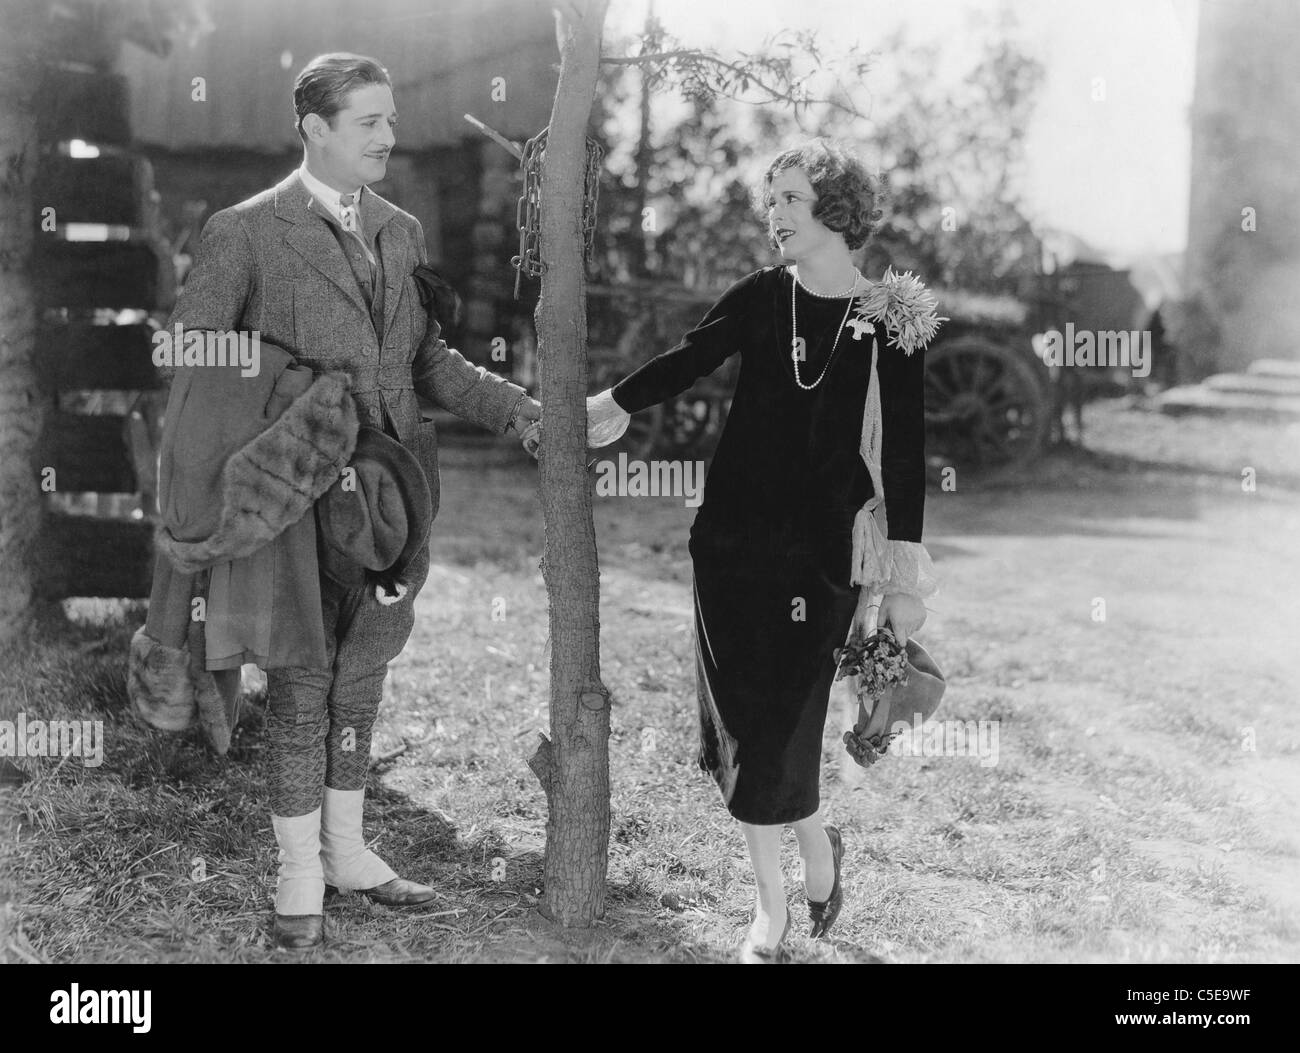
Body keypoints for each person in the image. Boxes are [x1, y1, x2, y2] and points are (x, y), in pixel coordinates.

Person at [164, 52, 540, 949]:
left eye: (391, 118)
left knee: (361, 678)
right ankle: (299, 871)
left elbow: (426, 363)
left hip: (395, 501)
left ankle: (347, 847)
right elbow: (192, 357)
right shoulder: (244, 233)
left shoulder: (402, 230)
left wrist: (524, 413)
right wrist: (300, 399)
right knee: (302, 681)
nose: (390, 135)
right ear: (316, 129)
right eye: (369, 120)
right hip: (294, 501)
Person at [586, 140, 941, 961]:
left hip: (820, 561)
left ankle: (795, 878)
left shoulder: (892, 321)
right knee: (749, 728)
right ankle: (773, 899)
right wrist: (609, 402)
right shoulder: (758, 297)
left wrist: (904, 580)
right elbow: (688, 357)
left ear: (837, 210)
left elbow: (907, 458)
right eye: (770, 198)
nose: (773, 213)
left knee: (787, 722)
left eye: (790, 196)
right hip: (732, 548)